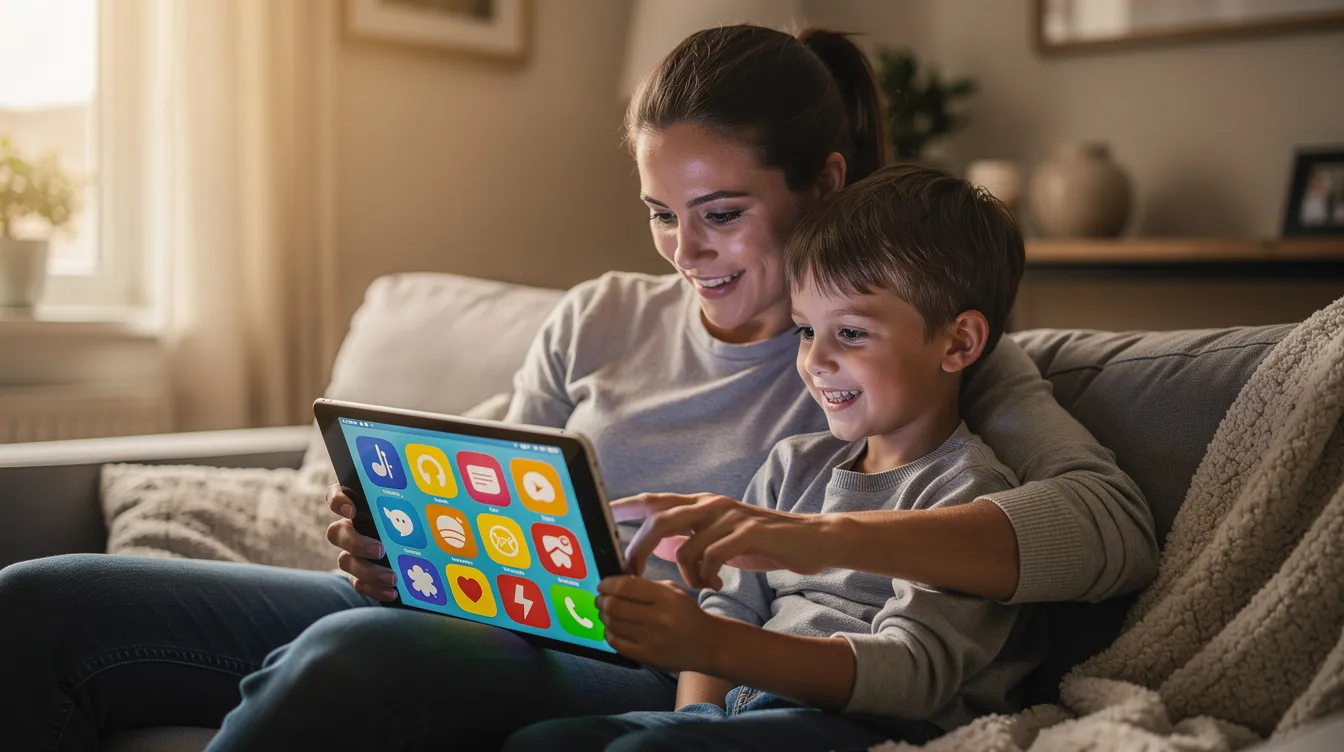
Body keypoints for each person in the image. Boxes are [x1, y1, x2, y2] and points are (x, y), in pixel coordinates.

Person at [0, 25, 1156, 752]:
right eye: (661, 213)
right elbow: (491, 486)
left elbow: (1106, 526)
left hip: (655, 656)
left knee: (351, 662)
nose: (687, 252)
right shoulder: (600, 313)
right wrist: (402, 543)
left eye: (721, 213)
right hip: (497, 614)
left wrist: (795, 539)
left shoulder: (885, 348)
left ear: (824, 183)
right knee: (43, 601)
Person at [504, 162, 1036, 751]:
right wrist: (695, 720)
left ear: (959, 342)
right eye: (806, 331)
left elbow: (913, 677)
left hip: (860, 726)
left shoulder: (969, 499)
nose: (815, 361)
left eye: (851, 333)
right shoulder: (793, 466)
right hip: (742, 712)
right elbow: (729, 607)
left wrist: (711, 647)